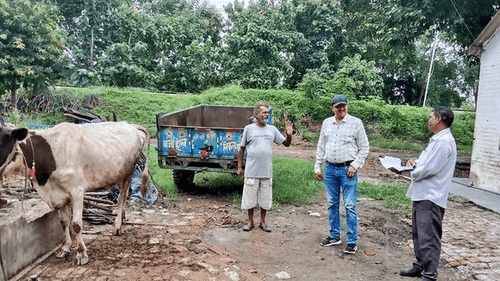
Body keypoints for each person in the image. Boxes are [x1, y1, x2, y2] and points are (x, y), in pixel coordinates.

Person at [400, 107, 457, 281]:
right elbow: (426, 162)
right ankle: (420, 266)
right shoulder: (437, 140)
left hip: (431, 196)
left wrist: (406, 170)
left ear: (438, 119)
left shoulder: (443, 142)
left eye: (431, 116)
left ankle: (430, 274)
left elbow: (429, 169)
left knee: (429, 237)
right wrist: (414, 162)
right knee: (419, 234)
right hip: (422, 193)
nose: (428, 119)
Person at [314, 94, 369, 254]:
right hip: (330, 169)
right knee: (332, 204)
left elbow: (364, 147)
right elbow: (321, 146)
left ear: (347, 106)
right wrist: (317, 166)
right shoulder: (326, 123)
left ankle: (352, 241)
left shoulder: (356, 123)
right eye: (338, 106)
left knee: (350, 206)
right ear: (332, 108)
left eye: (344, 105)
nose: (341, 109)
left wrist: (355, 165)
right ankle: (334, 236)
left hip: (348, 171)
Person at [237, 102, 293, 233]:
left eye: (267, 112)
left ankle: (263, 222)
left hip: (266, 170)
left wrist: (289, 134)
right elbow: (242, 148)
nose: (266, 115)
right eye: (264, 112)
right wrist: (239, 167)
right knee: (249, 197)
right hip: (252, 169)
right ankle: (250, 222)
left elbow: (286, 144)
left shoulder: (272, 130)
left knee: (265, 198)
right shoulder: (249, 129)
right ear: (257, 114)